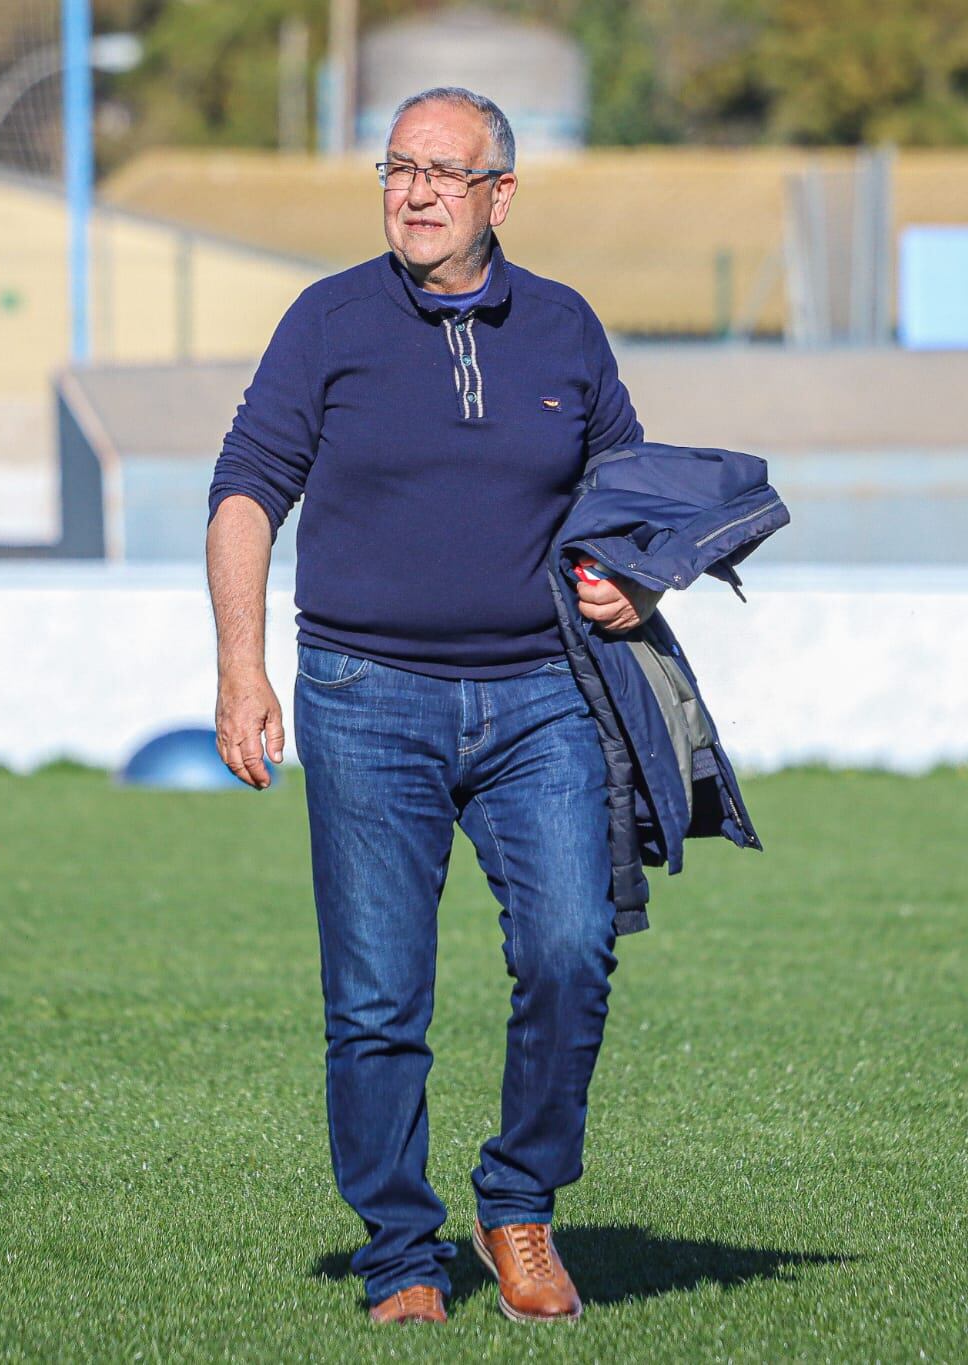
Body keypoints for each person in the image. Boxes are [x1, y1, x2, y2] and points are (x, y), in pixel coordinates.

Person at [205, 85, 658, 1326]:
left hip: (540, 703)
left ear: (498, 196)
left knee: (572, 951)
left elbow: (623, 489)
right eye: (396, 168)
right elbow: (246, 487)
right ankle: (401, 1254)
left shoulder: (564, 327)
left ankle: (517, 1203)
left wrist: (626, 576)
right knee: (374, 997)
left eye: (442, 174)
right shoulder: (326, 320)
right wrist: (241, 665)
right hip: (363, 695)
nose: (412, 192)